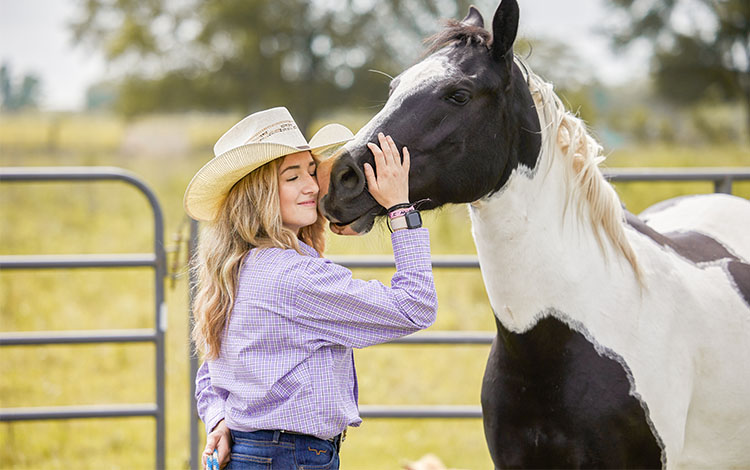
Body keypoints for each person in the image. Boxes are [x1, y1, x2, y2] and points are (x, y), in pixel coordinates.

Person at [184, 107, 438, 470]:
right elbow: (415, 306)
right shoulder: (292, 276)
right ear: (259, 193)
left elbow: (211, 369)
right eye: (292, 177)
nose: (312, 186)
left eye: (310, 171)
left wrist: (218, 419)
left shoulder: (235, 268)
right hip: (292, 457)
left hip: (253, 451)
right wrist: (399, 208)